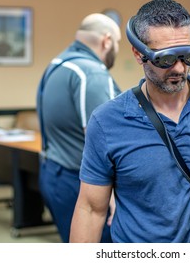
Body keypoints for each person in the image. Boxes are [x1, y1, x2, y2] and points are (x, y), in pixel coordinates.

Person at [70, 0, 190, 243]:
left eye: (188, 56)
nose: (179, 68)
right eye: (166, 59)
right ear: (138, 53)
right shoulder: (107, 120)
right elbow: (90, 209)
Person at [36, 13, 121, 242]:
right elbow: (104, 141)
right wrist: (113, 198)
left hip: (53, 173)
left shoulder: (58, 63)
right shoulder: (92, 74)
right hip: (83, 184)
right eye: (118, 42)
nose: (118, 48)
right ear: (106, 41)